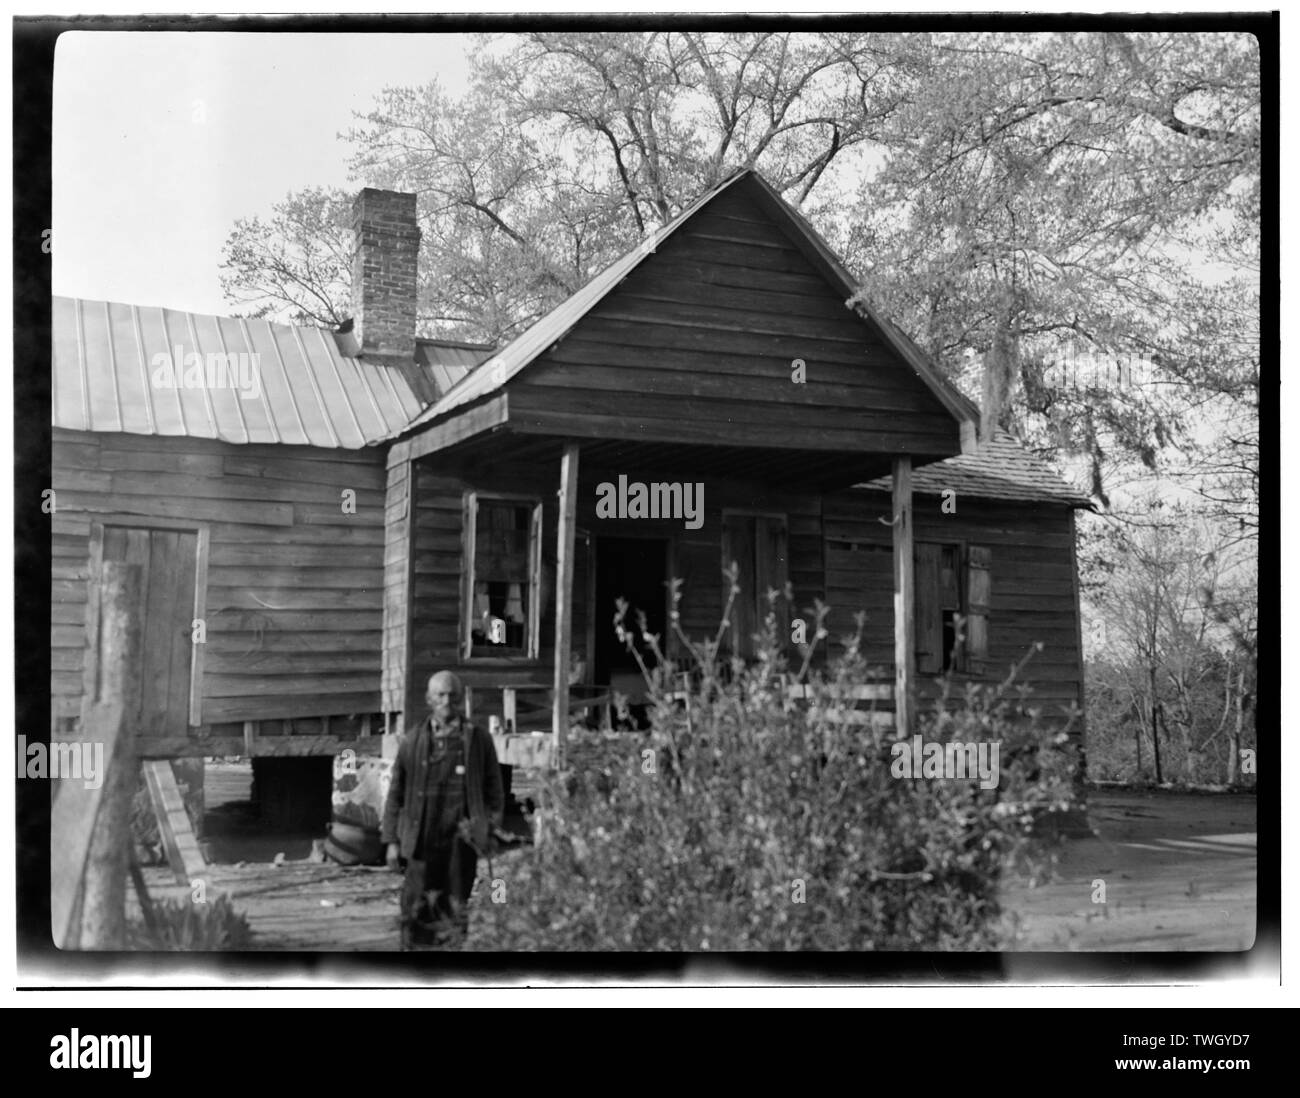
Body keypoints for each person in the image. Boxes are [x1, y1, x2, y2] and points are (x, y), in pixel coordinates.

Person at [382, 671, 504, 949]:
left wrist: (490, 830)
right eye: (440, 694)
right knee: (415, 908)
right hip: (422, 839)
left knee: (455, 907)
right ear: (429, 699)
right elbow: (395, 795)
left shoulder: (478, 740)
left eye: (452, 694)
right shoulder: (412, 741)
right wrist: (391, 842)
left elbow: (494, 790)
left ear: (460, 698)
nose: (447, 700)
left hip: (461, 842)